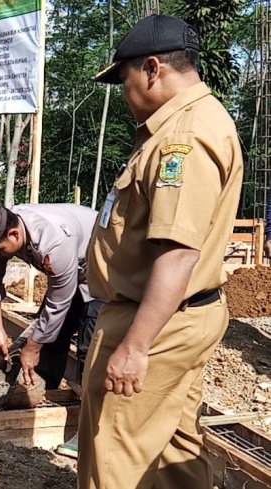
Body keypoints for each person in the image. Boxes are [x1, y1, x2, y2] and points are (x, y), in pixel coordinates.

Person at [81, 15, 243, 488]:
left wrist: (135, 347)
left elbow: (177, 253)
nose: (125, 94)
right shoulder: (188, 125)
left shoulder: (181, 139)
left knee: (112, 451)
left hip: (156, 320)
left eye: (125, 80)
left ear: (152, 69)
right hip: (181, 314)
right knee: (173, 444)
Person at [0, 203, 103, 459]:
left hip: (105, 269)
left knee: (91, 348)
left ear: (14, 236)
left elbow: (58, 302)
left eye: (0, 249)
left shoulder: (53, 243)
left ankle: (90, 433)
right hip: (75, 273)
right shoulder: (1, 225)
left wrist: (32, 346)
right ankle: (43, 392)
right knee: (52, 337)